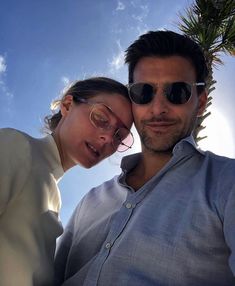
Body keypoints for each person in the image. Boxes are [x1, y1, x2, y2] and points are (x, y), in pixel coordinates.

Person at [54, 30, 235, 286]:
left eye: (177, 92)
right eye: (144, 92)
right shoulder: (92, 200)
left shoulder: (226, 183)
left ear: (201, 101)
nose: (158, 108)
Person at [0, 76, 134, 286]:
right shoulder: (16, 146)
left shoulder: (54, 198)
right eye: (101, 118)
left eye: (120, 136)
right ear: (67, 105)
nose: (108, 138)